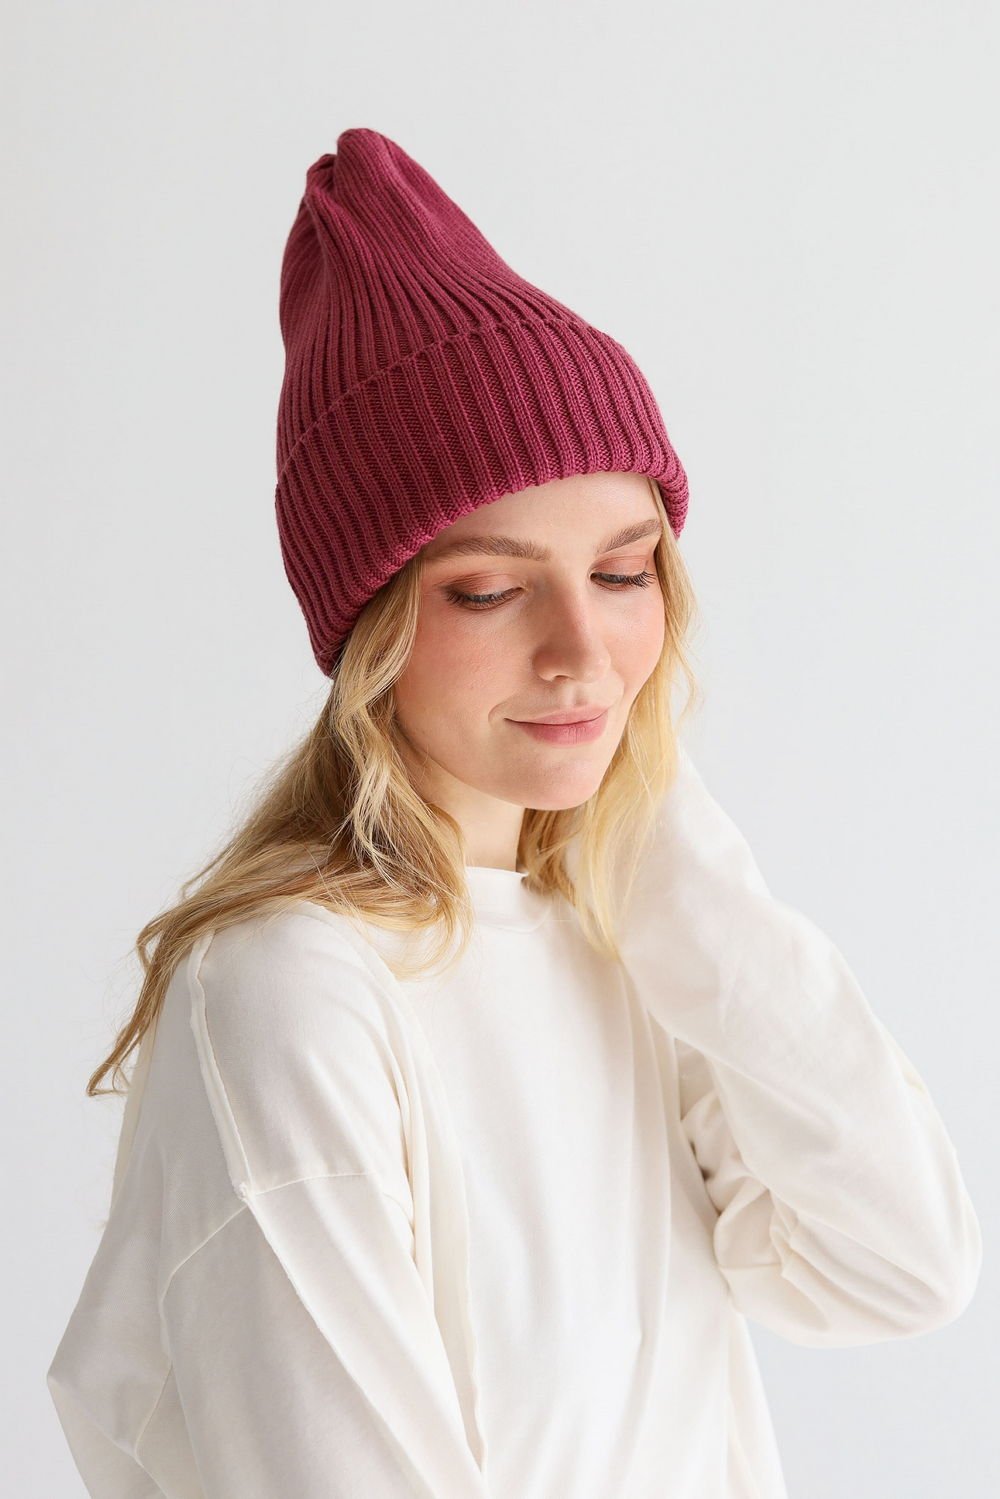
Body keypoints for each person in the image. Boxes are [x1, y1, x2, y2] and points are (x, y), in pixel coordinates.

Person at [46, 127, 982, 1499]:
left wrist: (656, 846)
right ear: (367, 630)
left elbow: (899, 1264)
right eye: (489, 591)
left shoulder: (628, 936)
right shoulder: (291, 991)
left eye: (623, 573)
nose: (582, 652)